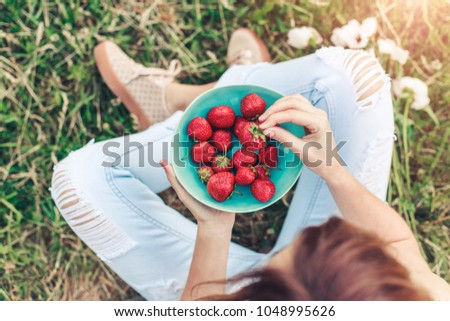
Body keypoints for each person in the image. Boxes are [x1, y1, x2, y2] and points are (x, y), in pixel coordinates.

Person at [50, 28, 450, 300]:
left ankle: (197, 94)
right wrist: (333, 169)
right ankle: (196, 92)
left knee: (77, 181)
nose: (306, 238)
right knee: (351, 81)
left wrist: (214, 228)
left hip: (228, 290)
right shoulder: (420, 303)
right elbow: (398, 246)